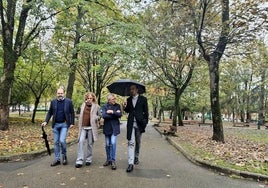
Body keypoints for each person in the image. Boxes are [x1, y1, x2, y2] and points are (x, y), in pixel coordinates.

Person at [41, 87, 75, 166]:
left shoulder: (68, 102)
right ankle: (57, 159)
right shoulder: (53, 102)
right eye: (58, 93)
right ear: (57, 94)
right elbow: (50, 112)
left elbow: (72, 113)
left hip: (64, 124)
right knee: (56, 143)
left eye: (61, 93)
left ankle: (64, 156)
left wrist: (72, 123)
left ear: (64, 93)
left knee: (62, 141)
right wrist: (46, 121)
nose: (60, 95)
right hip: (55, 125)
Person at [123, 84, 149, 173]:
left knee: (138, 142)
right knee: (131, 142)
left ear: (137, 90)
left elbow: (146, 112)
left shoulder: (143, 99)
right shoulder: (129, 99)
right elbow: (127, 110)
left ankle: (136, 157)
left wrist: (145, 123)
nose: (131, 91)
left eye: (133, 89)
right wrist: (124, 106)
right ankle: (130, 163)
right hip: (130, 124)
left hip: (139, 124)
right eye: (130, 89)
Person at [75, 92, 101, 168]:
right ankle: (79, 160)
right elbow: (81, 115)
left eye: (91, 98)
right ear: (86, 98)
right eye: (88, 98)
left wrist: (96, 117)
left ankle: (88, 159)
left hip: (91, 128)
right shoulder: (83, 105)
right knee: (81, 141)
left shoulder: (96, 106)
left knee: (90, 144)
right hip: (83, 127)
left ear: (93, 98)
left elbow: (100, 115)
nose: (89, 99)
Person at [102, 93, 122, 170]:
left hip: (114, 128)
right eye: (113, 99)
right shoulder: (104, 106)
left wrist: (112, 112)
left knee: (113, 143)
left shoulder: (118, 106)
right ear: (109, 100)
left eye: (115, 99)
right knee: (107, 144)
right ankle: (108, 159)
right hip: (107, 127)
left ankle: (113, 160)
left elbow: (119, 114)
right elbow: (104, 115)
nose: (114, 100)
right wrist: (114, 114)